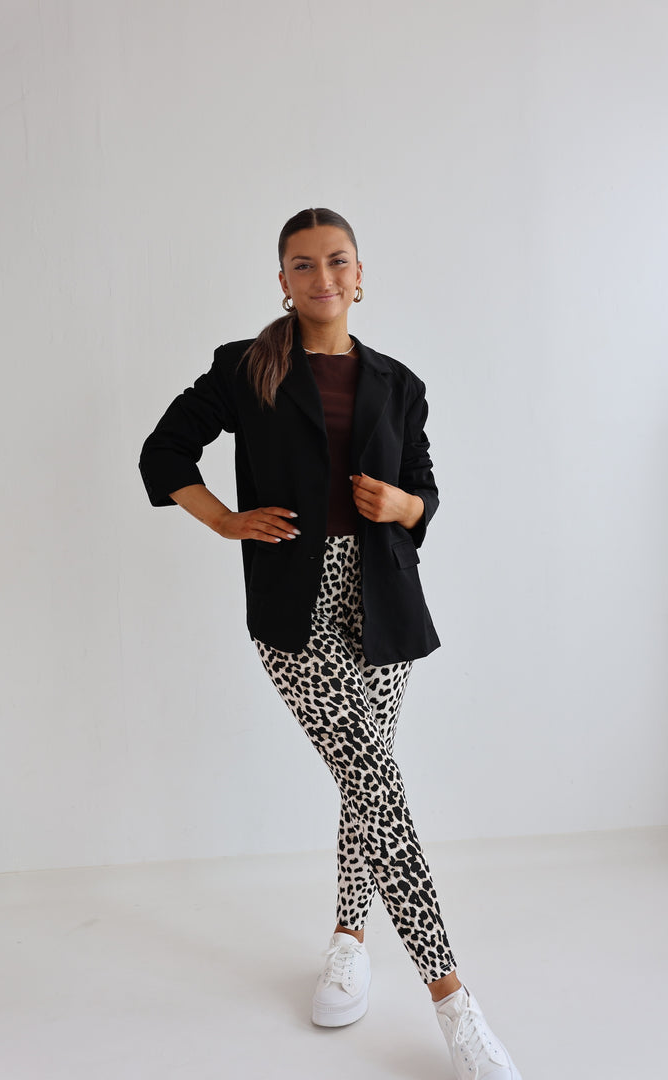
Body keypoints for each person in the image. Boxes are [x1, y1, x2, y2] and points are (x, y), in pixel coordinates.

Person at [139, 207, 522, 1079]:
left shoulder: (399, 382)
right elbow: (164, 454)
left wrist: (405, 505)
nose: (322, 278)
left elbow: (424, 488)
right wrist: (226, 521)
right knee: (376, 780)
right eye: (303, 265)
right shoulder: (247, 368)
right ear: (282, 280)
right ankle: (455, 1005)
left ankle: (350, 938)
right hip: (295, 605)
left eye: (336, 261)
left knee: (365, 782)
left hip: (383, 601)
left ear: (359, 272)